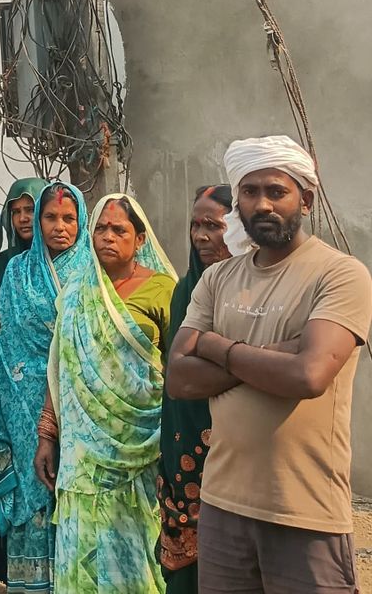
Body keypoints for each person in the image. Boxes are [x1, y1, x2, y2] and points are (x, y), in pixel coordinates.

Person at [168, 135, 372, 594]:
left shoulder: (339, 274)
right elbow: (179, 379)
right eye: (249, 191)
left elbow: (309, 375)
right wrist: (280, 351)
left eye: (276, 191)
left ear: (306, 200)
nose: (262, 204)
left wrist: (218, 348)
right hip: (222, 507)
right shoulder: (217, 278)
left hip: (305, 511)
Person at [35, 194, 177, 593]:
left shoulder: (163, 290)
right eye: (100, 228)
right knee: (80, 542)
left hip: (143, 447)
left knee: (139, 547)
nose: (108, 237)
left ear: (140, 239)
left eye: (119, 230)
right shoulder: (76, 290)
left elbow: (178, 371)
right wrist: (47, 433)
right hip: (82, 450)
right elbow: (60, 366)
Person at [0, 182, 86, 592]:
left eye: (69, 218)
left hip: (79, 405)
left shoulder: (93, 272)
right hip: (22, 404)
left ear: (82, 221)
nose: (59, 226)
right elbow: (6, 344)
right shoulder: (16, 271)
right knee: (33, 495)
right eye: (50, 217)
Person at [156, 184, 232, 594]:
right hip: (182, 433)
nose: (201, 236)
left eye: (213, 226)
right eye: (195, 225)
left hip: (232, 437)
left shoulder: (246, 293)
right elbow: (175, 370)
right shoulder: (183, 290)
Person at [0, 175, 48, 585]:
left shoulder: (68, 262)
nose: (24, 218)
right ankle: (10, 574)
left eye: (31, 209)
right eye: (17, 211)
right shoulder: (4, 262)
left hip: (48, 392)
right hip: (7, 383)